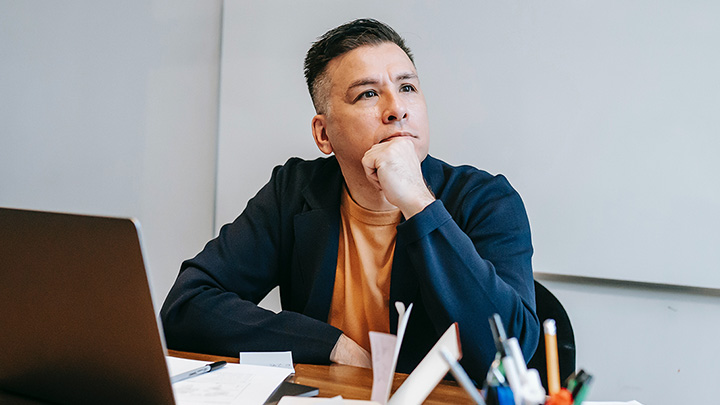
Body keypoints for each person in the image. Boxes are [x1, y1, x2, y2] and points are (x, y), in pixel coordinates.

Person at [160, 18, 539, 382]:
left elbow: (508, 354)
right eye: (368, 94)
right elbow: (185, 307)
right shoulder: (294, 191)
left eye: (407, 87)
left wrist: (419, 203)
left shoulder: (487, 200)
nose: (397, 109)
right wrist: (330, 345)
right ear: (323, 135)